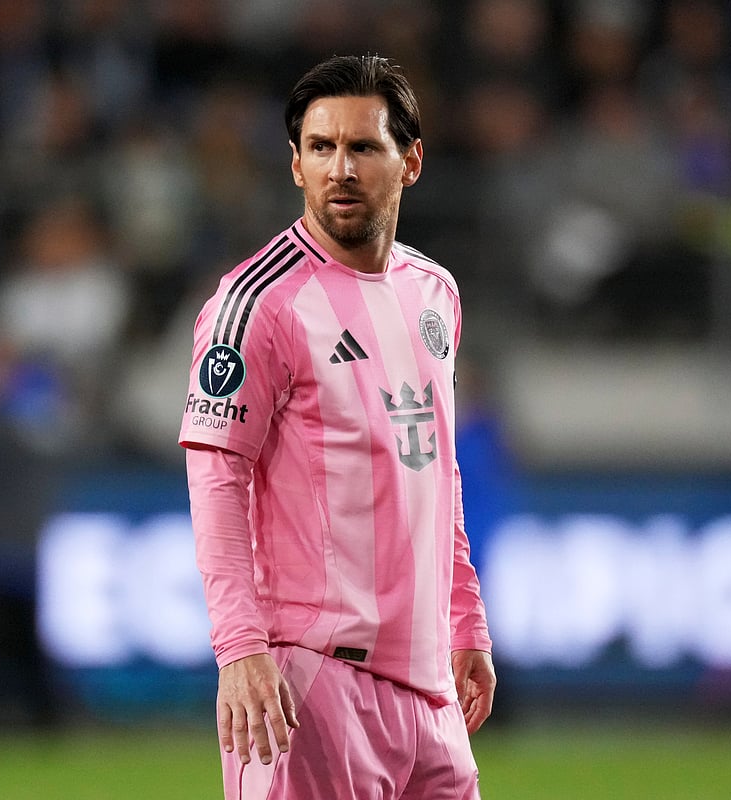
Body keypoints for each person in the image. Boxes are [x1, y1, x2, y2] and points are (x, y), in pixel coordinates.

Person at [178, 55, 495, 799]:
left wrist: (465, 618)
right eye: (321, 148)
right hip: (311, 682)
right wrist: (239, 648)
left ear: (410, 161)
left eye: (362, 147)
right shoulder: (255, 305)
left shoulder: (434, 294)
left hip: (428, 689)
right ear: (295, 165)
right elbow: (216, 480)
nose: (340, 169)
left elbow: (433, 467)